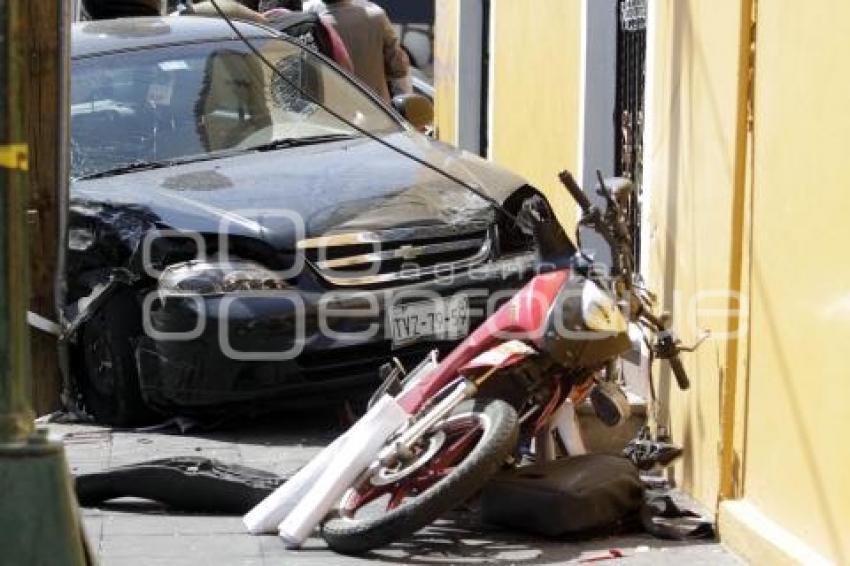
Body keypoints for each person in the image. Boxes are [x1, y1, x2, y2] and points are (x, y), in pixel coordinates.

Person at [304, 0, 410, 102]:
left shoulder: (310, 23)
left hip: (334, 112)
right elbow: (398, 66)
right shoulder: (376, 16)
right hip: (377, 109)